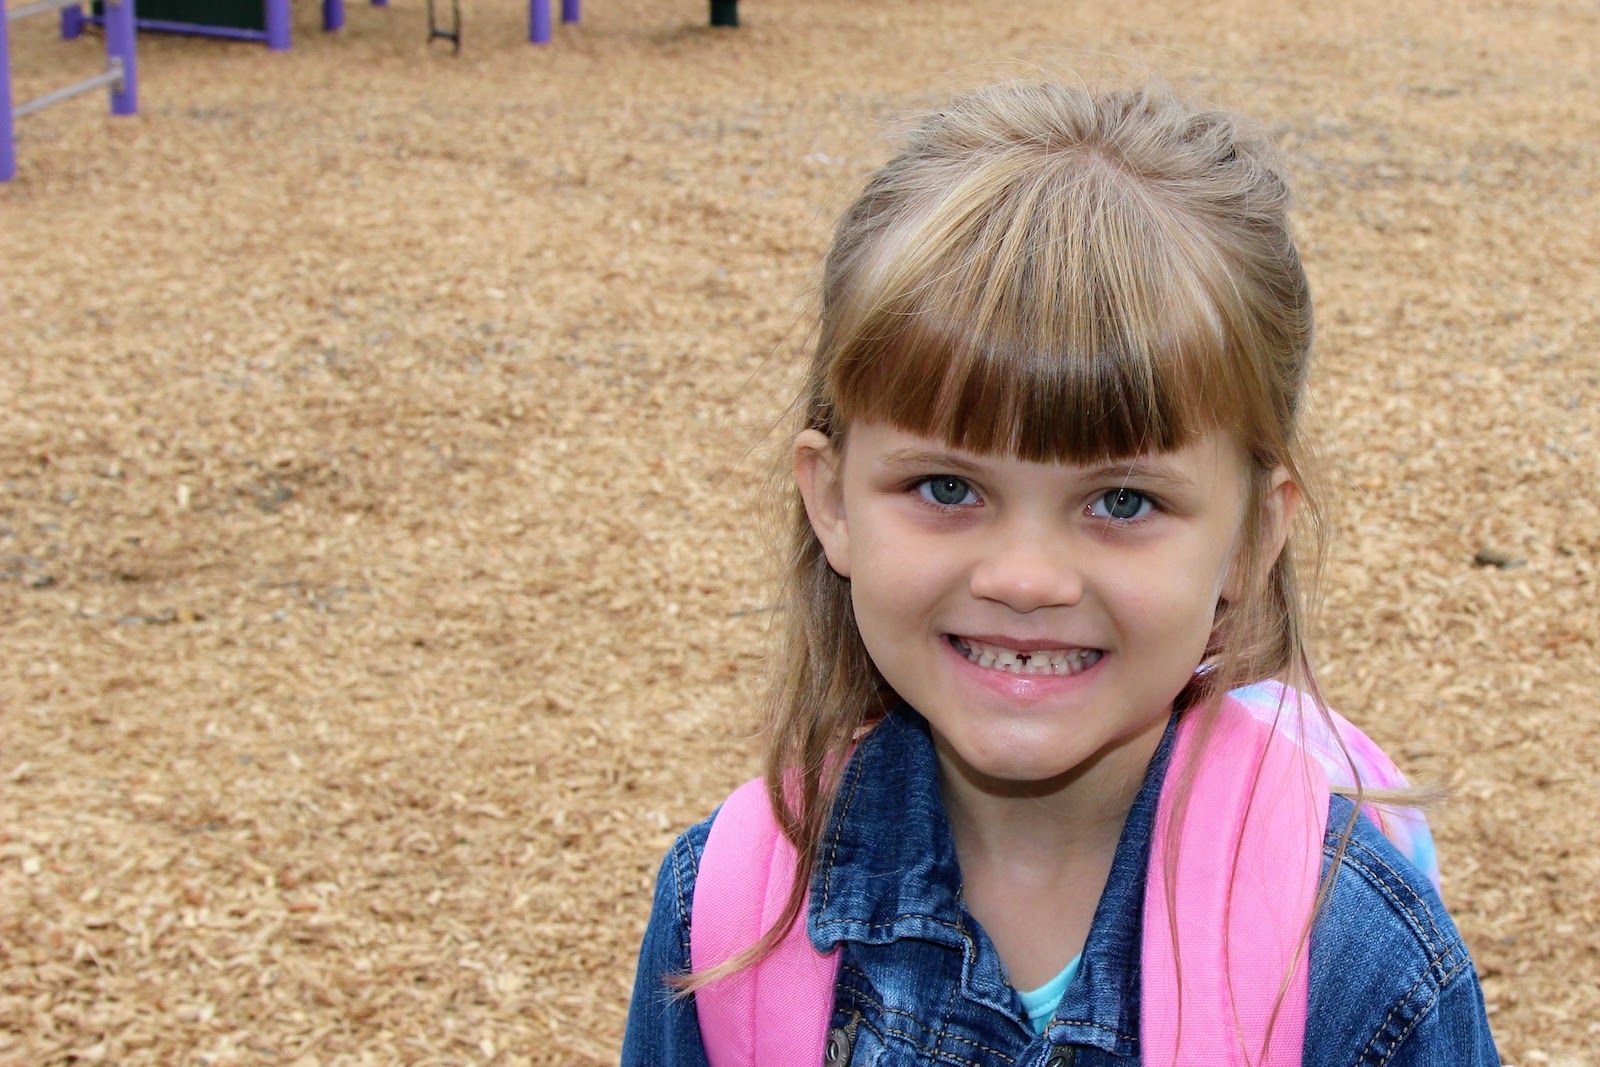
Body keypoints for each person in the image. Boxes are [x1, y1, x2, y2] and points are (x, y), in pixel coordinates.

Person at [621, 80, 1499, 1066]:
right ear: (832, 502)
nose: (1027, 577)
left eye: (1121, 501)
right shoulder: (732, 913)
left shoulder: (1354, 965)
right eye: (946, 486)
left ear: (1253, 535)